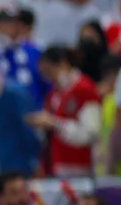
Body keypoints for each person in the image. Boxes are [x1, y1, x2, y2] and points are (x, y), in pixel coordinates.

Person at [28, 46, 100, 178]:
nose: (49, 79)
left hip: (79, 167)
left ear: (63, 63)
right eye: (44, 75)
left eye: (49, 72)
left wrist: (55, 124)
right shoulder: (54, 93)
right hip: (56, 166)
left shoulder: (84, 89)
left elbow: (91, 132)